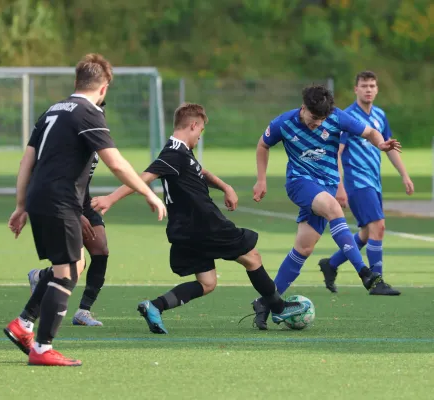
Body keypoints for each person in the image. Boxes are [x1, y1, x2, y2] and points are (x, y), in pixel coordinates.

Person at [4, 53, 166, 366]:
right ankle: (41, 348)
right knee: (67, 272)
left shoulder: (53, 110)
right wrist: (149, 191)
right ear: (104, 88)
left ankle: (23, 324)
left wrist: (22, 204)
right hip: (60, 199)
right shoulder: (88, 112)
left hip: (41, 197)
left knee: (71, 266)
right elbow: (116, 162)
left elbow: (27, 160)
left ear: (77, 81)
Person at [91, 102, 309, 334]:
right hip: (204, 223)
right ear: (193, 125)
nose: (200, 137)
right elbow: (144, 177)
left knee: (207, 283)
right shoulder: (173, 153)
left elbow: (200, 172)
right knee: (252, 257)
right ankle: (277, 307)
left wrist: (225, 186)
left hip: (185, 230)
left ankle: (155, 306)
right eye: (201, 131)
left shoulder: (183, 152)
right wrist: (111, 199)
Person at [250, 84, 401, 330]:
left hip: (327, 186)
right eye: (313, 117)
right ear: (303, 107)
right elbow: (262, 145)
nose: (317, 123)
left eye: (321, 119)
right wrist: (261, 179)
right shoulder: (283, 122)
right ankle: (364, 272)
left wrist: (381, 144)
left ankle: (265, 302)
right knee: (334, 209)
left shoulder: (337, 117)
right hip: (300, 183)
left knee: (304, 247)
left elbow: (371, 132)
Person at [319, 71, 414, 294]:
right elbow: (338, 152)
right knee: (378, 226)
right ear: (356, 89)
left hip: (374, 181)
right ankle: (376, 281)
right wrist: (340, 185)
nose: (368, 89)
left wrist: (404, 175)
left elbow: (389, 148)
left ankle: (330, 264)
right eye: (364, 85)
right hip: (356, 182)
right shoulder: (348, 117)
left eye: (372, 85)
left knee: (365, 233)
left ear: (377, 89)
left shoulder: (380, 115)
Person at [28, 151, 109, 326]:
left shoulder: (94, 135)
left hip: (83, 202)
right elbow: (54, 180)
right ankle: (40, 278)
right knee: (76, 264)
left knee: (101, 250)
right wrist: (76, 214)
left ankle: (83, 312)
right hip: (64, 203)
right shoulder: (69, 137)